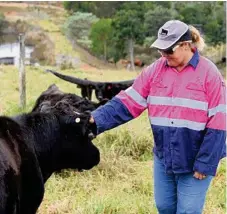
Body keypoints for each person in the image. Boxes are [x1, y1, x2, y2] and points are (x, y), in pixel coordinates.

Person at [89, 20, 226, 214]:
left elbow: (219, 123)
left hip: (195, 158)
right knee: (165, 207)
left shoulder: (209, 74)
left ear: (186, 45)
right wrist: (94, 119)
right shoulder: (155, 70)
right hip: (165, 156)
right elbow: (128, 102)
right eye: (160, 50)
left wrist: (206, 162)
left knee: (188, 210)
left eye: (168, 50)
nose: (163, 55)